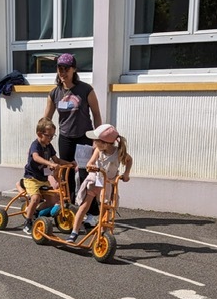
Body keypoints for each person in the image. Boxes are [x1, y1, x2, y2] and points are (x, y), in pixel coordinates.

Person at [44, 52, 102, 227]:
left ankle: (92, 213)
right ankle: (69, 210)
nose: (62, 72)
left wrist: (97, 139)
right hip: (66, 138)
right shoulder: (54, 93)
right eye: (60, 69)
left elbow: (96, 114)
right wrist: (43, 140)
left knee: (85, 176)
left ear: (74, 69)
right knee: (66, 176)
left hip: (84, 137)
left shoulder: (86, 90)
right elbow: (46, 120)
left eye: (66, 69)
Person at [66, 124, 133, 243]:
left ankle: (102, 234)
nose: (94, 143)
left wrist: (126, 173)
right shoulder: (98, 150)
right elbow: (90, 162)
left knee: (106, 208)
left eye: (96, 140)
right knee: (85, 205)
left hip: (108, 182)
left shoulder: (119, 152)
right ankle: (74, 232)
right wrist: (91, 166)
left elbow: (129, 160)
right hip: (96, 179)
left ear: (105, 143)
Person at [21, 117, 74, 235]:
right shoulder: (35, 145)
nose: (51, 138)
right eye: (49, 136)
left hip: (43, 179)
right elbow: (36, 157)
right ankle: (27, 222)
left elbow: (57, 160)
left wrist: (70, 164)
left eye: (52, 136)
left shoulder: (48, 146)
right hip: (31, 178)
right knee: (36, 198)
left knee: (52, 201)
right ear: (40, 134)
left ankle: (35, 212)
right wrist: (50, 163)